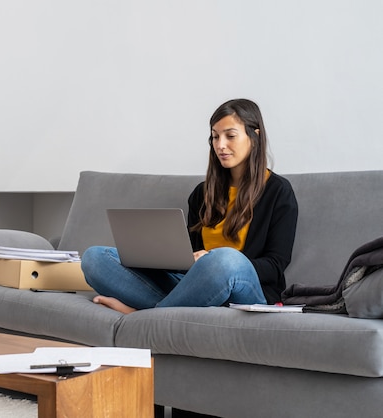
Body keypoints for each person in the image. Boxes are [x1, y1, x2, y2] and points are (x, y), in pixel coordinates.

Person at [81, 98, 298, 314]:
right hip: (195, 287)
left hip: (245, 290)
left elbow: (275, 265)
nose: (220, 145)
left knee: (225, 259)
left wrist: (211, 261)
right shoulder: (202, 194)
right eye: (215, 137)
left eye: (230, 136)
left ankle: (144, 317)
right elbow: (189, 258)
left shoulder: (278, 191)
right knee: (94, 258)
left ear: (254, 136)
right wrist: (172, 258)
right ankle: (166, 309)